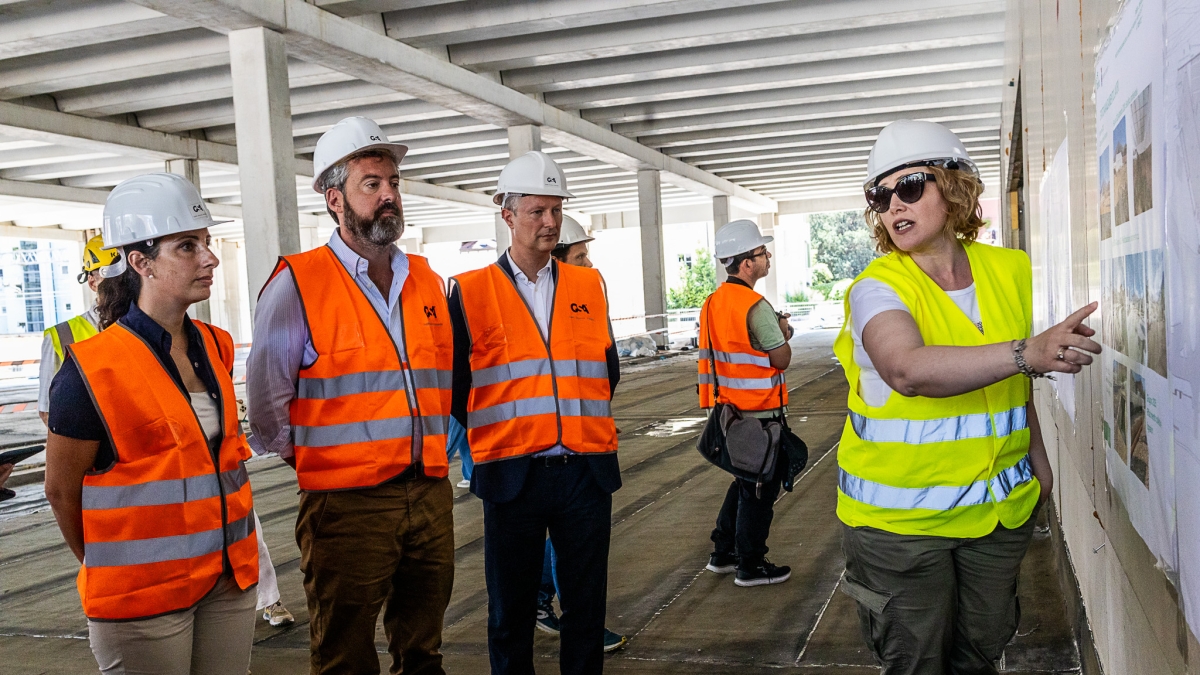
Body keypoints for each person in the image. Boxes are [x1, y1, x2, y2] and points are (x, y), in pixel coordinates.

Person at [835, 119, 1101, 674]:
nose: (892, 206)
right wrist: (1028, 352)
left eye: (909, 186)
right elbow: (907, 369)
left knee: (980, 652)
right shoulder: (877, 288)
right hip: (899, 528)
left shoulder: (1009, 270)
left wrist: (1037, 460)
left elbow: (1009, 381)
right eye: (879, 197)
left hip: (996, 518)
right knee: (917, 662)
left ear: (953, 187)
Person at [247, 116, 455, 675]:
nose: (389, 195)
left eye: (393, 182)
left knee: (424, 651)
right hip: (346, 506)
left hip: (429, 492)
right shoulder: (298, 283)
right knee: (345, 656)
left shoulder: (427, 280)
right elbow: (266, 399)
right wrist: (318, 457)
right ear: (334, 198)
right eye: (372, 184)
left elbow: (441, 378)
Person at [43, 173, 259, 674]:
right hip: (142, 599)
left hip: (228, 578)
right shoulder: (90, 369)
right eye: (187, 246)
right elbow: (60, 489)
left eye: (206, 243)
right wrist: (111, 566)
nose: (210, 258)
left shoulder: (216, 346)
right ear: (140, 262)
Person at [449, 150, 621, 675]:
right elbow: (458, 386)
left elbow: (607, 369)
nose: (550, 223)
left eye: (556, 210)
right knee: (511, 613)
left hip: (584, 470)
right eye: (537, 212)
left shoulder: (588, 286)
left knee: (586, 610)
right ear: (508, 214)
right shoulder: (471, 291)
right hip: (512, 473)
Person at [536, 214, 627, 653]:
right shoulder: (530, 305)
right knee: (566, 547)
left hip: (582, 444)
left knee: (570, 546)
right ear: (556, 259)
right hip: (528, 452)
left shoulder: (587, 298)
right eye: (581, 255)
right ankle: (544, 603)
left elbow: (604, 374)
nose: (590, 264)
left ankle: (551, 607)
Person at [698, 219, 794, 588]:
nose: (767, 256)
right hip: (761, 417)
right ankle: (750, 565)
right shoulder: (754, 306)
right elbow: (781, 358)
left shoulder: (713, 302)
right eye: (761, 252)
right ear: (746, 263)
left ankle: (723, 553)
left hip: (729, 414)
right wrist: (783, 331)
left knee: (743, 482)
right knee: (759, 491)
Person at [37, 234, 117, 425]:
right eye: (110, 274)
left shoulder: (148, 329)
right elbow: (49, 412)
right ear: (92, 282)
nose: (121, 283)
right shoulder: (61, 337)